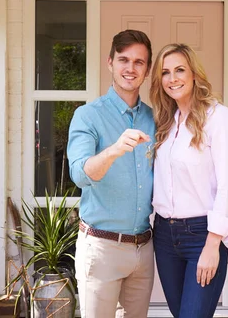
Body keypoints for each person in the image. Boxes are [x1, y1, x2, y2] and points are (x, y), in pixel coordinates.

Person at [149, 43, 228, 318]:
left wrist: (213, 244)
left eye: (179, 70)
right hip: (165, 236)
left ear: (194, 74)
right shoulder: (168, 123)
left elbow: (227, 186)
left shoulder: (219, 118)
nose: (172, 78)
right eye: (165, 73)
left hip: (202, 234)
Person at [67, 29, 155, 318]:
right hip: (102, 248)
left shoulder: (154, 118)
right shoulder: (88, 115)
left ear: (147, 69)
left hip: (143, 248)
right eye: (123, 60)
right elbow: (80, 174)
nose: (130, 68)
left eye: (139, 62)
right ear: (110, 63)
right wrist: (115, 149)